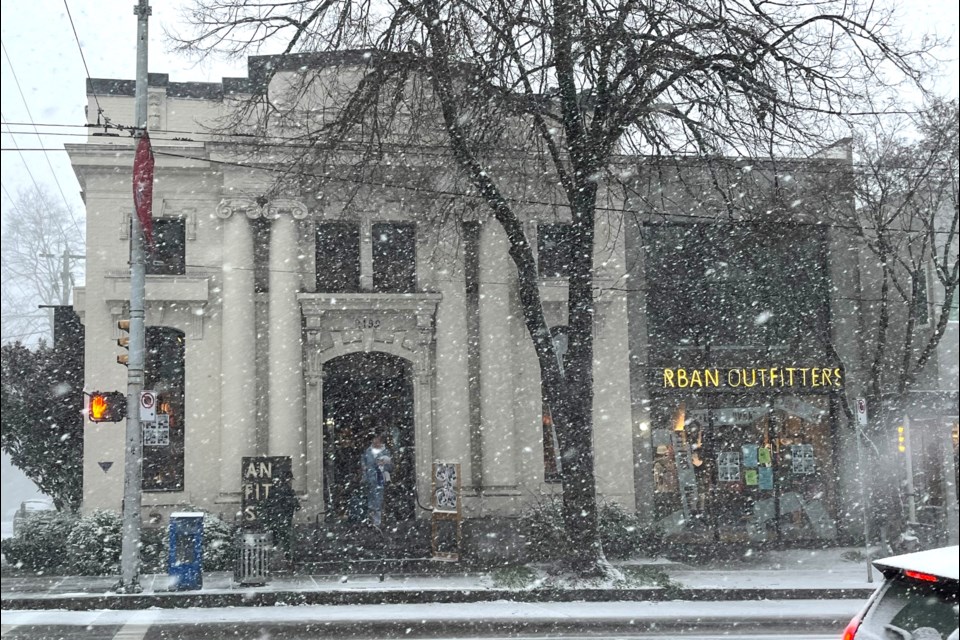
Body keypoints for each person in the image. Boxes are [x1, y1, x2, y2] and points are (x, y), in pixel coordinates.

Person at [260, 465, 301, 559]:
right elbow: (296, 506)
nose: (291, 482)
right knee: (286, 541)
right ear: (287, 479)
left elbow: (267, 504)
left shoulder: (273, 490)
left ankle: (271, 559)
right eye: (290, 479)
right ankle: (288, 560)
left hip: (274, 521)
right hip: (284, 521)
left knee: (275, 540)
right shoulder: (288, 491)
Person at [360, 432, 394, 527]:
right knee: (370, 500)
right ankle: (370, 520)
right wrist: (364, 473)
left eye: (378, 440)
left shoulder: (385, 452)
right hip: (370, 479)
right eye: (374, 440)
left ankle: (377, 522)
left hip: (380, 479)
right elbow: (364, 465)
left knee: (379, 500)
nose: (376, 442)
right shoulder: (368, 452)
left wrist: (385, 464)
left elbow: (390, 466)